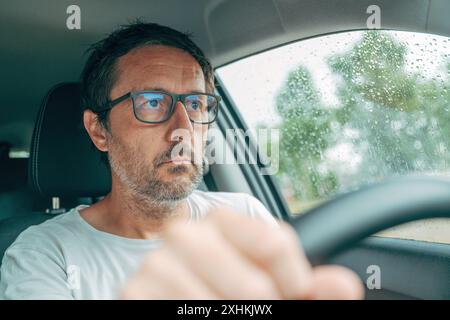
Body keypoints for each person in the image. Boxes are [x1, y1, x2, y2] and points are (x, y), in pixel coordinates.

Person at [0, 22, 363, 300]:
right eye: (153, 102)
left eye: (196, 104)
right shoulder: (42, 254)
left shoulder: (244, 217)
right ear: (98, 130)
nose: (183, 129)